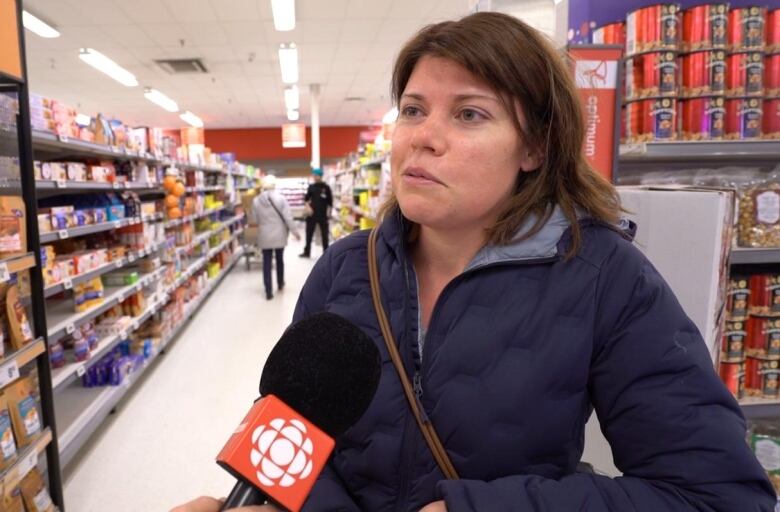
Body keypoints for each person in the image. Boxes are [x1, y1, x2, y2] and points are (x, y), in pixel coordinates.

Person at [173, 12, 775, 512]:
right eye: (412, 110)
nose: (422, 136)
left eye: (468, 113)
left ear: (535, 147)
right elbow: (295, 443)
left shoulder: (605, 278)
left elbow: (718, 494)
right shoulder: (342, 270)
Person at [250, 175, 300, 300]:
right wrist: (295, 231)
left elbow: (254, 219)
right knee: (279, 259)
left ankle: (268, 291)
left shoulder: (256, 201)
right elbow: (288, 217)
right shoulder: (281, 199)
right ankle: (280, 283)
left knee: (266, 262)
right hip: (279, 234)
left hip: (264, 234)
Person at [299, 168, 332, 258]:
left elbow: (330, 202)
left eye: (316, 175)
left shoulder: (326, 187)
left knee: (324, 235)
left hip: (323, 215)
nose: (314, 176)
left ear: (320, 176)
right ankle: (307, 252)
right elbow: (306, 199)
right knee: (309, 234)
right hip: (312, 214)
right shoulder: (311, 187)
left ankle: (326, 253)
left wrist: (329, 214)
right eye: (313, 175)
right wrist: (308, 207)